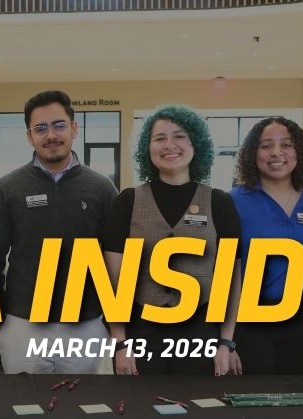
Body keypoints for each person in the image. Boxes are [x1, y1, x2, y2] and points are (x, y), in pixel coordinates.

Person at [0, 90, 118, 374]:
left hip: (85, 324)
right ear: (29, 136)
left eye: (59, 125)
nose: (51, 135)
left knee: (80, 409)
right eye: (40, 128)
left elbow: (117, 260)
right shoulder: (8, 187)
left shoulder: (101, 188)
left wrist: (113, 323)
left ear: (74, 128)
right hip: (23, 324)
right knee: (25, 409)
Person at [103, 105, 241, 376]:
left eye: (179, 136)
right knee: (142, 409)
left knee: (199, 410)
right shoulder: (127, 201)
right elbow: (113, 282)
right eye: (159, 138)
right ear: (148, 147)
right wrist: (119, 343)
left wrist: (226, 341)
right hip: (141, 328)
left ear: (195, 144)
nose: (169, 145)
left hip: (201, 330)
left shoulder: (219, 202)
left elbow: (232, 279)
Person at [230, 117, 303, 374]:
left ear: (299, 152)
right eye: (266, 145)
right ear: (252, 154)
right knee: (250, 405)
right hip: (249, 324)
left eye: (286, 145)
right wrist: (226, 340)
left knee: (301, 404)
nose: (276, 153)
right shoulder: (234, 202)